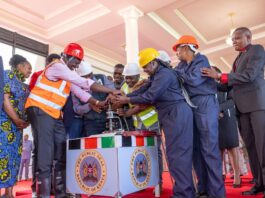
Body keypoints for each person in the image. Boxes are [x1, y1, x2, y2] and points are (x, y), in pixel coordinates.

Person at [25, 43, 118, 197]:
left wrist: (98, 103)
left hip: (54, 115)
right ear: (66, 56)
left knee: (61, 151)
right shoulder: (57, 66)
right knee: (45, 155)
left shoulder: (66, 75)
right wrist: (112, 89)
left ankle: (61, 194)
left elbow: (81, 93)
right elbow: (84, 83)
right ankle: (43, 194)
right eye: (75, 61)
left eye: (79, 63)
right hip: (39, 110)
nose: (76, 65)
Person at [114, 48, 194, 198]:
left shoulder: (164, 74)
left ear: (153, 63)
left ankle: (185, 194)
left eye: (145, 67)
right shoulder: (157, 75)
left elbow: (150, 96)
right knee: (174, 155)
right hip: (171, 114)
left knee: (178, 155)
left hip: (176, 113)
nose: (144, 70)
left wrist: (127, 100)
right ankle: (183, 192)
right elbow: (144, 88)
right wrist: (124, 96)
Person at [201, 27, 265, 197]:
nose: (234, 41)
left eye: (237, 38)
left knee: (262, 147)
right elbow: (228, 84)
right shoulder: (238, 58)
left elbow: (249, 75)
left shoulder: (257, 50)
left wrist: (220, 75)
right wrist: (210, 81)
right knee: (251, 149)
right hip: (242, 109)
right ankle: (259, 184)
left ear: (248, 37)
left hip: (257, 105)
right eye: (233, 39)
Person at [173, 35, 225, 198]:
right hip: (190, 105)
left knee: (209, 148)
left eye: (178, 49)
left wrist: (178, 76)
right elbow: (178, 81)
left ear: (188, 47)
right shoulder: (180, 65)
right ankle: (203, 189)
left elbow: (194, 81)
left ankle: (217, 193)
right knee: (195, 149)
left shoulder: (202, 60)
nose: (176, 53)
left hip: (205, 103)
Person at [118, 62, 163, 190]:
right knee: (141, 153)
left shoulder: (146, 84)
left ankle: (158, 183)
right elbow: (122, 102)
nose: (128, 80)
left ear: (138, 75)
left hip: (153, 122)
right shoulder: (124, 87)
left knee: (155, 153)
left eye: (131, 77)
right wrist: (119, 108)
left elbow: (145, 104)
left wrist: (127, 113)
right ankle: (142, 182)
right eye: (126, 77)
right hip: (138, 125)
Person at [0, 54, 32, 198]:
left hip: (18, 128)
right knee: (3, 157)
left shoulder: (25, 86)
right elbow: (4, 99)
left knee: (14, 159)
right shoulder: (7, 75)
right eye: (28, 67)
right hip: (5, 125)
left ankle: (9, 193)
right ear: (19, 65)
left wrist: (26, 122)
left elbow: (29, 107)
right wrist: (16, 119)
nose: (30, 71)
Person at [212, 66, 241, 188]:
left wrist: (219, 109)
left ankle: (237, 175)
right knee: (218, 150)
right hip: (214, 120)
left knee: (232, 148)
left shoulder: (227, 84)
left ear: (218, 73)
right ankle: (220, 174)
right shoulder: (209, 86)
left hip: (228, 118)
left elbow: (232, 101)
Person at [75, 61, 114, 136]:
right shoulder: (76, 87)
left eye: (90, 75)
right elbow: (76, 109)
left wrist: (109, 97)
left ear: (92, 72)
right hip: (91, 124)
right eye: (85, 77)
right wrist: (90, 106)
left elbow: (112, 90)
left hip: (108, 121)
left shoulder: (102, 78)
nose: (88, 78)